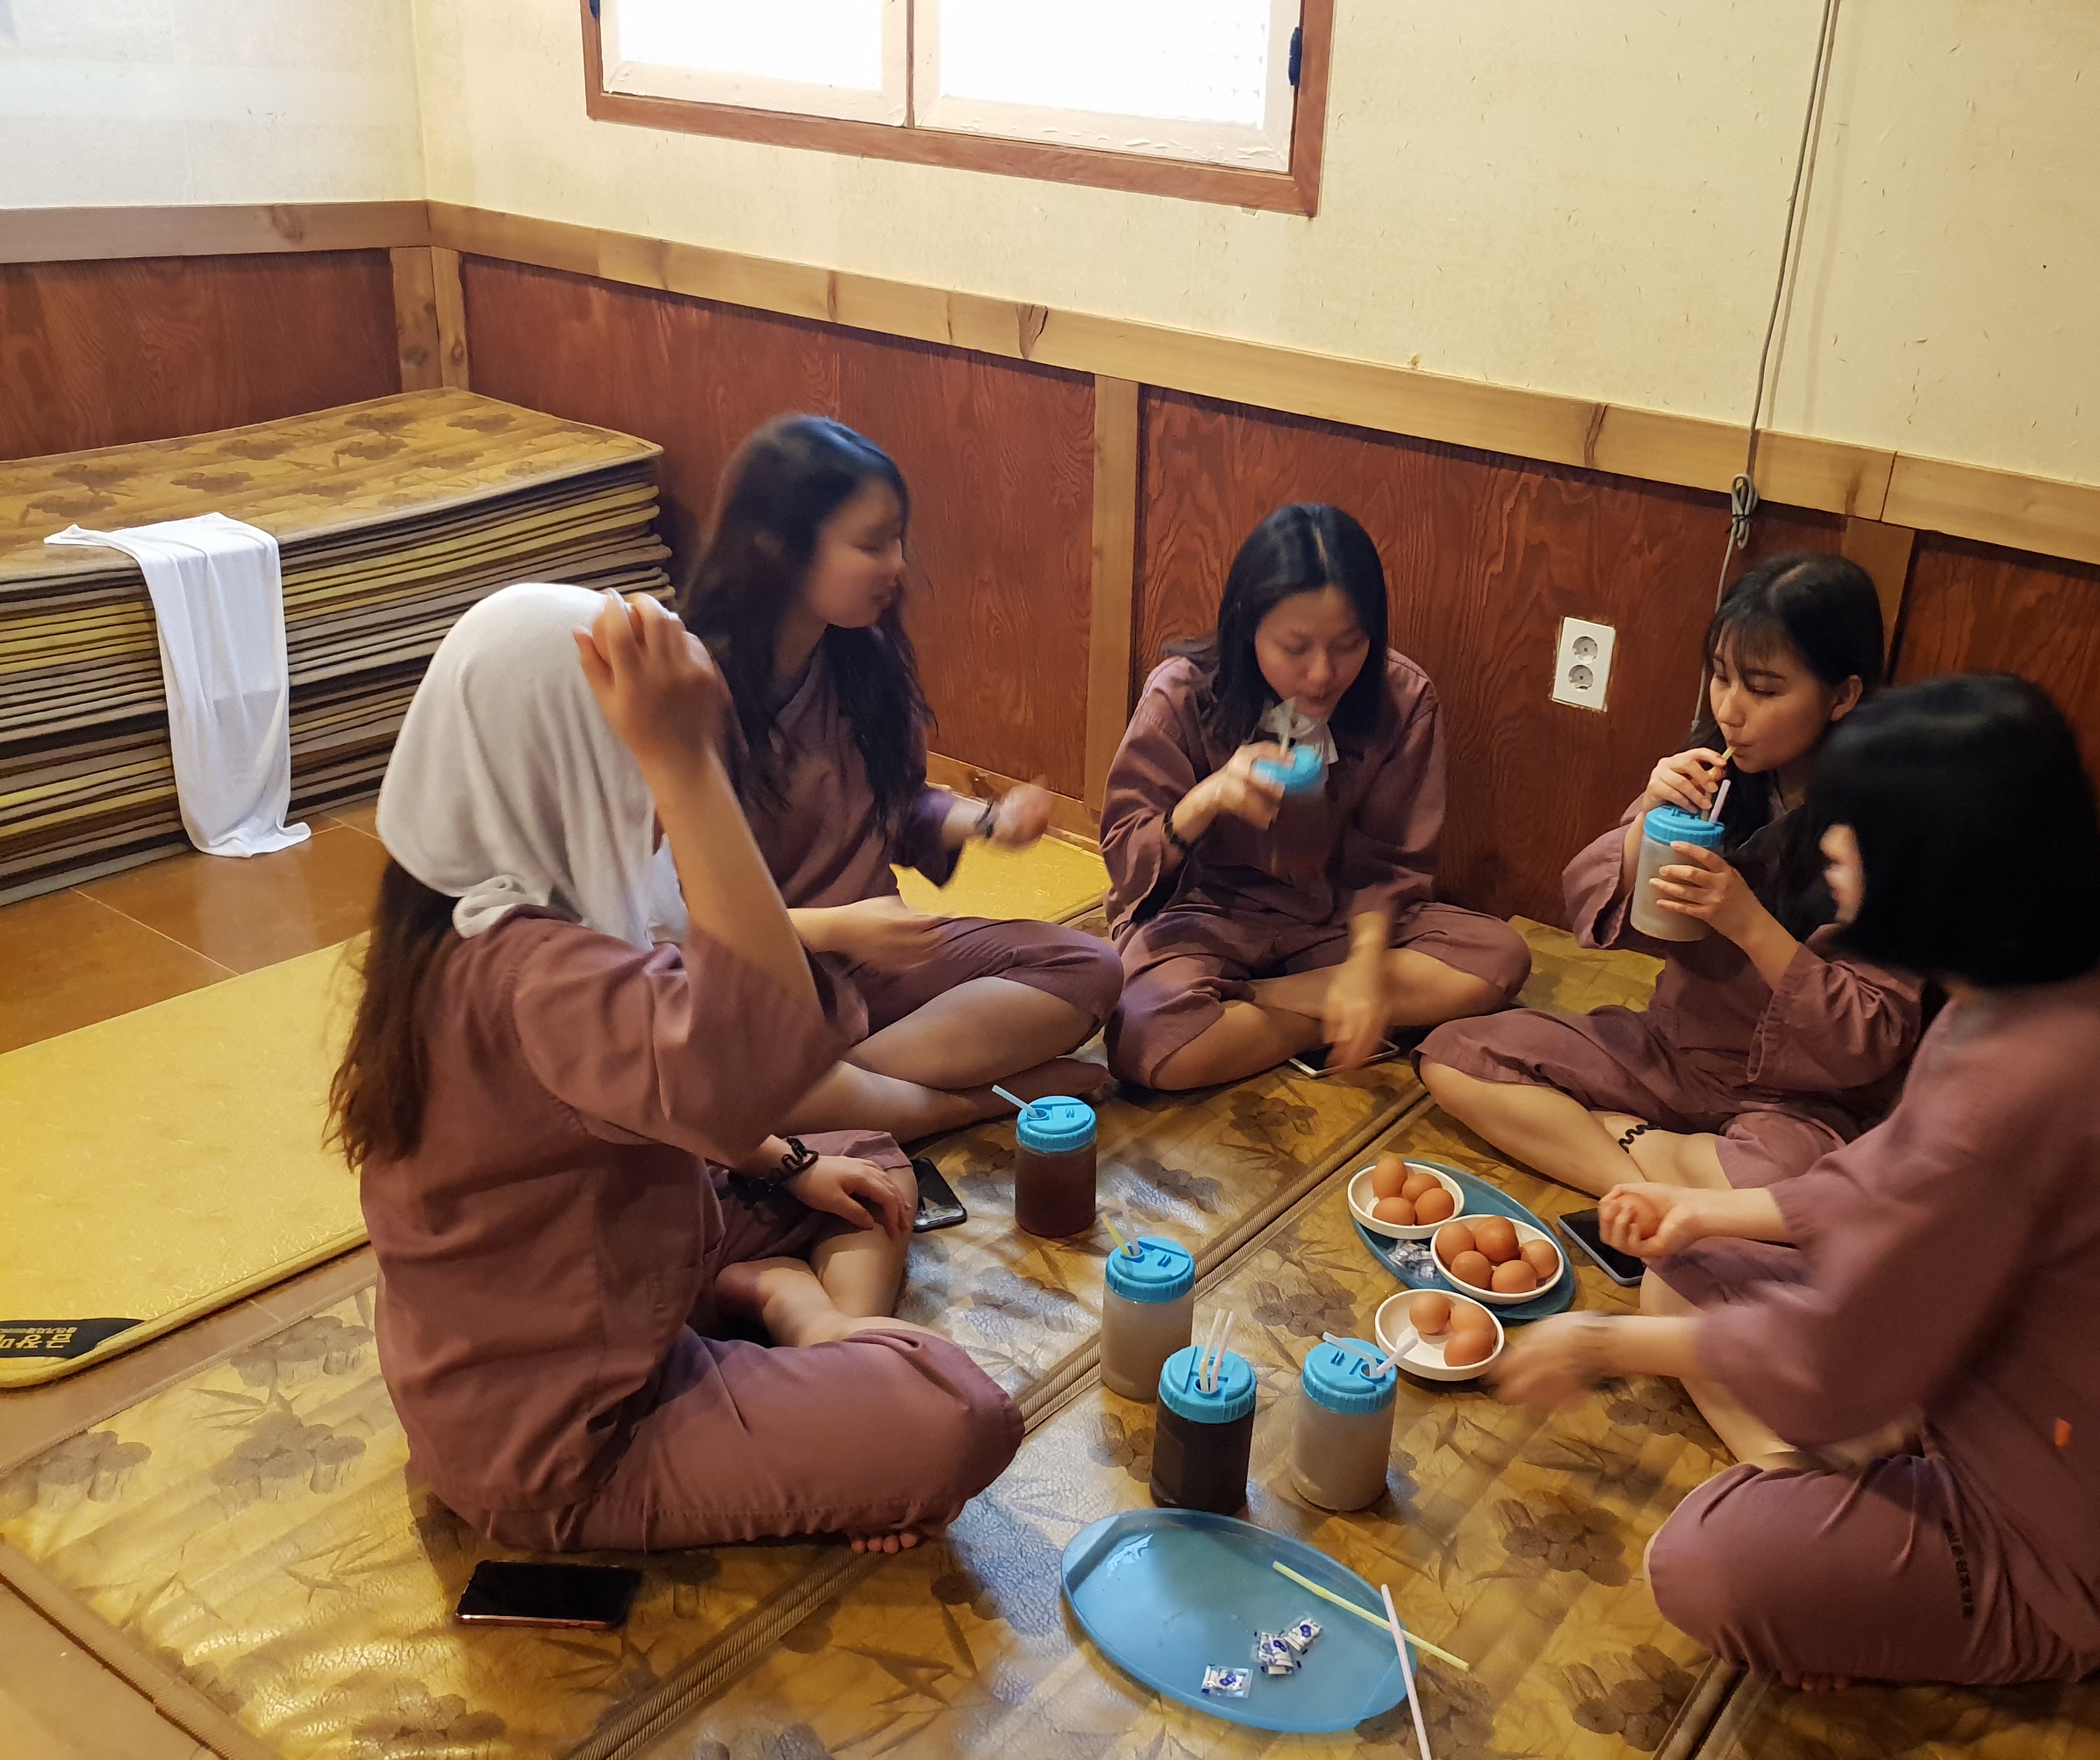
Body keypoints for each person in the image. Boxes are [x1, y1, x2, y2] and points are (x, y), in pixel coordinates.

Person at [1493, 674, 2100, 1688]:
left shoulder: (2024, 1084)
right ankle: (1844, 1494)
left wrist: (1596, 1345)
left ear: (1937, 869)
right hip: (1973, 1381)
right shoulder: (2048, 981)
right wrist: (1702, 1211)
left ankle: (1853, 1533)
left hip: (2067, 1531)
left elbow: (1836, 1354)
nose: (1832, 858)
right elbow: (1882, 1177)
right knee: (1682, 1269)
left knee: (1705, 1562)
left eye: (1855, 841)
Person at [333, 583, 1021, 1553]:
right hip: (569, 1444)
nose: (661, 815)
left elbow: (691, 1090)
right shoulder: (535, 976)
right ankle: (800, 1325)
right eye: (640, 772)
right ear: (563, 769)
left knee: (859, 1164)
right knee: (954, 1415)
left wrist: (790, 1164)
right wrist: (684, 764)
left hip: (602, 1284)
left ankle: (766, 1298)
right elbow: (753, 1053)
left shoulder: (458, 906)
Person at [1421, 553, 1922, 1197]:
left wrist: (1747, 923)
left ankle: (1619, 1142)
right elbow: (1591, 910)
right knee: (1455, 1057)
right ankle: (1647, 1190)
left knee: (1794, 1183)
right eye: (1720, 677)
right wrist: (1647, 823)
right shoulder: (1711, 779)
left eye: (1764, 689)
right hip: (1676, 1054)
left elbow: (1869, 1040)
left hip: (1802, 1101)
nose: (1731, 709)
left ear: (1843, 696)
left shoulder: (1889, 828)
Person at [680, 417, 1123, 1140]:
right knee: (701, 1058)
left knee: (1090, 966)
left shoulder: (861, 659)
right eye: (872, 544)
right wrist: (838, 928)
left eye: (897, 540)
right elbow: (666, 922)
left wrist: (987, 822)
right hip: (756, 984)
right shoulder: (693, 692)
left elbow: (894, 805)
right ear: (779, 548)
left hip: (873, 965)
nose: (897, 566)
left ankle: (820, 1098)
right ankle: (950, 1104)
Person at [1100, 504, 1530, 1089]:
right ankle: (1327, 1014)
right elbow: (1127, 861)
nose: (1323, 674)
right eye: (1295, 647)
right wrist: (1206, 800)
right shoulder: (1181, 696)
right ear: (1246, 627)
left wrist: (1363, 967)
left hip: (1335, 922)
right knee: (1146, 1040)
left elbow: (1389, 867)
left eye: (1348, 644)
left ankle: (1257, 1007)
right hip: (1205, 917)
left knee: (1499, 956)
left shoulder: (1402, 699)